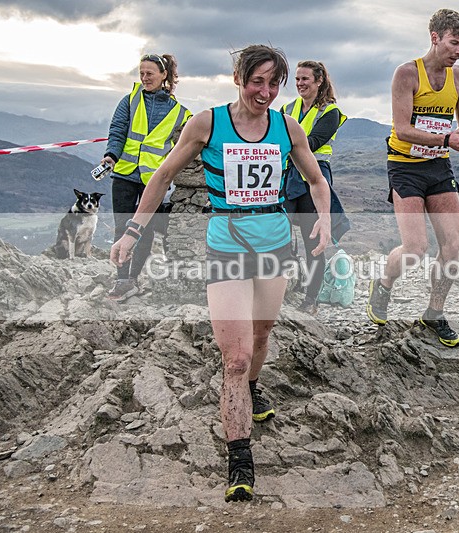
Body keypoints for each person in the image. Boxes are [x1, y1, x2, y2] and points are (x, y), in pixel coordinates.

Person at [110, 45, 331, 503]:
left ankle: (253, 386)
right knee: (234, 356)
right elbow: (163, 175)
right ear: (237, 76)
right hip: (226, 248)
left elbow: (316, 180)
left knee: (262, 333)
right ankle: (240, 459)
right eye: (258, 81)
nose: (266, 92)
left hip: (274, 247)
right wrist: (132, 231)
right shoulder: (208, 123)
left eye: (274, 84)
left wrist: (323, 220)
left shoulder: (287, 128)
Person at [366, 8, 459, 347]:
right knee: (415, 248)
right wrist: (447, 139)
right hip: (404, 166)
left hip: (438, 166)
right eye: (454, 43)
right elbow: (402, 129)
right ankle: (383, 284)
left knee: (453, 246)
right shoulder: (406, 74)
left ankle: (434, 313)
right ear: (435, 37)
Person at [101, 53, 192, 301]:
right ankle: (122, 279)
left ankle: (133, 279)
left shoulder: (181, 113)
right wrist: (111, 155)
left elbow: (186, 146)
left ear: (164, 76)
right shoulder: (129, 100)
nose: (144, 78)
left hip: (154, 179)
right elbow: (117, 130)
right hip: (124, 173)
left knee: (145, 229)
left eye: (149, 73)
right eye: (141, 73)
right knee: (122, 226)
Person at [280, 60, 349, 315]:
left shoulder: (330, 112)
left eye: (305, 79)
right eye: (297, 79)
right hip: (288, 175)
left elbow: (313, 142)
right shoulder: (287, 107)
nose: (299, 84)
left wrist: (284, 143)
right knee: (278, 231)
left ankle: (311, 300)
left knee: (313, 241)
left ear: (319, 81)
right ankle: (283, 286)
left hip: (314, 176)